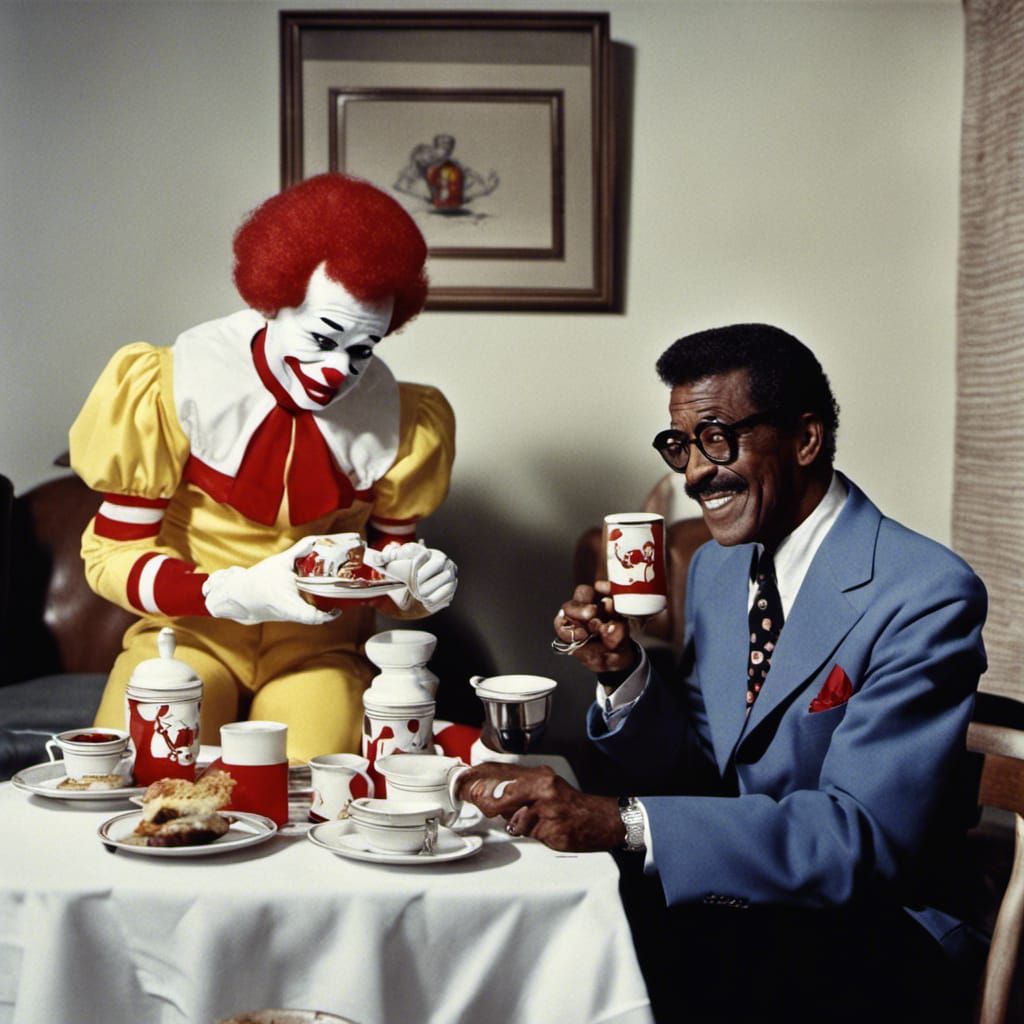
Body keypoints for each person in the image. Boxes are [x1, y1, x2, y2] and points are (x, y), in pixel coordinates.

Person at [458, 324, 988, 1022]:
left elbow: (861, 839)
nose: (695, 473)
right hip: (747, 896)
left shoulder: (924, 591)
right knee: (535, 927)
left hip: (879, 923)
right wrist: (623, 673)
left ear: (805, 439)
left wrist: (620, 824)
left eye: (717, 437)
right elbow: (697, 767)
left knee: (601, 960)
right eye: (682, 446)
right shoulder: (715, 567)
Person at [70, 173, 458, 761]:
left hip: (318, 652)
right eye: (323, 337)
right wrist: (234, 591)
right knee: (137, 782)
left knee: (319, 798)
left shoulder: (406, 419)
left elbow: (383, 574)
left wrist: (414, 584)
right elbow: (108, 556)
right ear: (273, 300)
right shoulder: (174, 385)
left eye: (362, 349)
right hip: (187, 637)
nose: (338, 371)